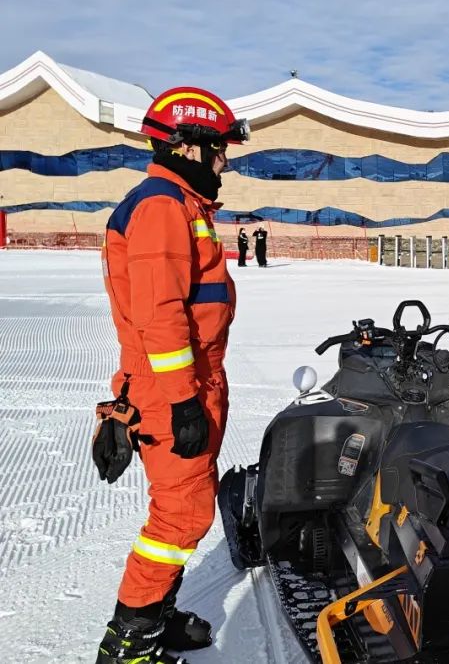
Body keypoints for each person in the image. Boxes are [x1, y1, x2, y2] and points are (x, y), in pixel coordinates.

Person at [94, 86, 249, 664]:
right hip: (172, 390)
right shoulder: (162, 207)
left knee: (187, 503)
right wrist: (184, 401)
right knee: (180, 515)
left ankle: (155, 616)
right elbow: (160, 316)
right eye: (219, 151)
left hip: (193, 382)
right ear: (187, 147)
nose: (225, 163)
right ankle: (130, 640)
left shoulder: (183, 204)